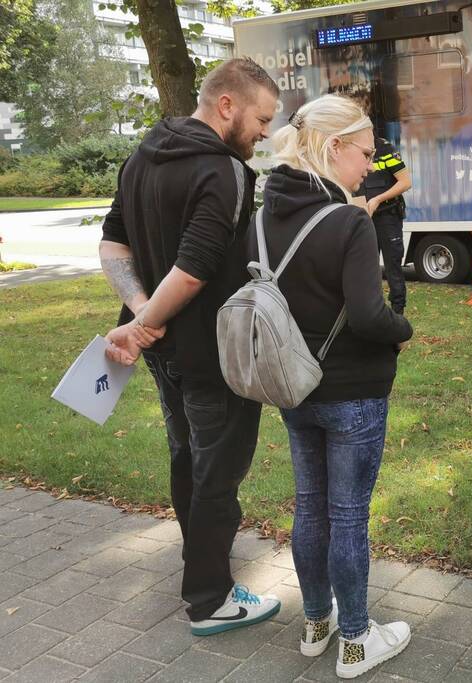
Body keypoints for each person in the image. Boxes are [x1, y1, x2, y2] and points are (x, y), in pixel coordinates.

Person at [100, 58, 282, 636]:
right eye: (262, 119)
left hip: (165, 356)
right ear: (227, 105)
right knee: (217, 474)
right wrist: (144, 321)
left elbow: (112, 246)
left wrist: (140, 315)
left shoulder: (142, 156)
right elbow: (195, 268)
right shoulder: (225, 171)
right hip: (214, 356)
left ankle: (202, 563)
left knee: (187, 457)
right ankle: (210, 599)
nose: (265, 133)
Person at [259, 93, 413, 678]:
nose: (370, 168)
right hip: (352, 390)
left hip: (293, 385)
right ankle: (355, 641)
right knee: (347, 516)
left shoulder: (263, 217)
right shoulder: (348, 220)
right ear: (333, 147)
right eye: (366, 154)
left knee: (310, 508)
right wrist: (403, 329)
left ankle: (315, 623)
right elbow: (370, 316)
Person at [356, 133, 411, 314]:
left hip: (387, 217)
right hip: (363, 218)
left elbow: (405, 182)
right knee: (365, 268)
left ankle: (397, 313)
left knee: (392, 267)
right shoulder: (350, 147)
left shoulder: (384, 148)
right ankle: (372, 312)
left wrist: (378, 199)